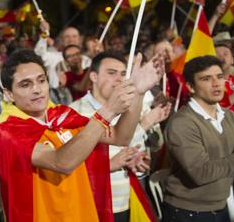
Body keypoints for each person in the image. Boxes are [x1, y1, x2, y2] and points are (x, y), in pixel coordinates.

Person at [0, 49, 163, 221]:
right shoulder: (10, 128)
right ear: (8, 93)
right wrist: (107, 112)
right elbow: (61, 162)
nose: (37, 89)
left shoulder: (60, 114)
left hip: (80, 211)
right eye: (25, 84)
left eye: (41, 80)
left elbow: (120, 137)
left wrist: (138, 93)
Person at [69, 51, 171, 221]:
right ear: (93, 76)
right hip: (91, 206)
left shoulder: (129, 109)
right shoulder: (74, 112)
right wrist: (110, 165)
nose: (119, 79)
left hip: (127, 202)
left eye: (123, 74)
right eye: (111, 73)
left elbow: (137, 150)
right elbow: (68, 166)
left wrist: (139, 162)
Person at [162, 56, 234, 221]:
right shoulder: (182, 123)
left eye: (219, 76)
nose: (216, 83)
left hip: (221, 206)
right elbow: (201, 172)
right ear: (190, 87)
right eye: (206, 79)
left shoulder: (231, 117)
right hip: (188, 212)